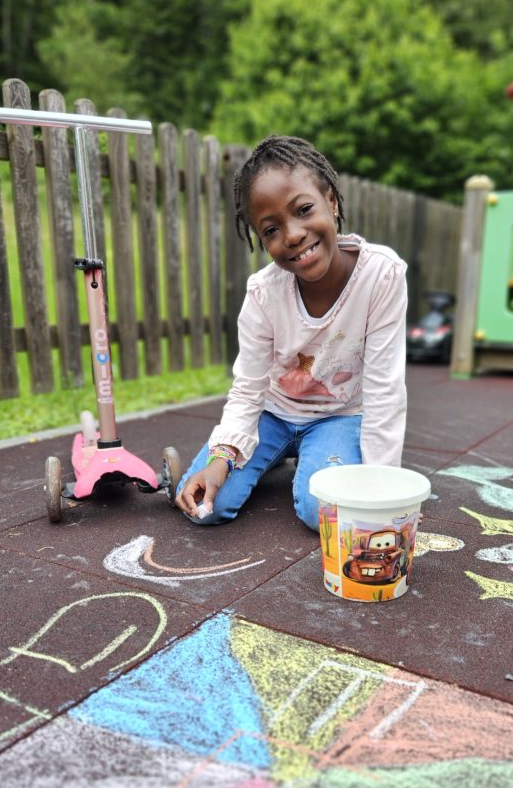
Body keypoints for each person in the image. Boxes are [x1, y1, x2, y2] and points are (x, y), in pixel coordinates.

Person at [175, 134, 408, 532]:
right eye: (270, 230)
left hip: (338, 416)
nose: (294, 234)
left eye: (303, 210)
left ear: (331, 201)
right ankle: (265, 457)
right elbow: (248, 388)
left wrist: (380, 485)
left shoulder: (381, 275)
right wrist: (222, 458)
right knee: (205, 504)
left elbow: (385, 389)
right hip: (272, 414)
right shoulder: (264, 295)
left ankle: (312, 457)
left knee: (326, 512)